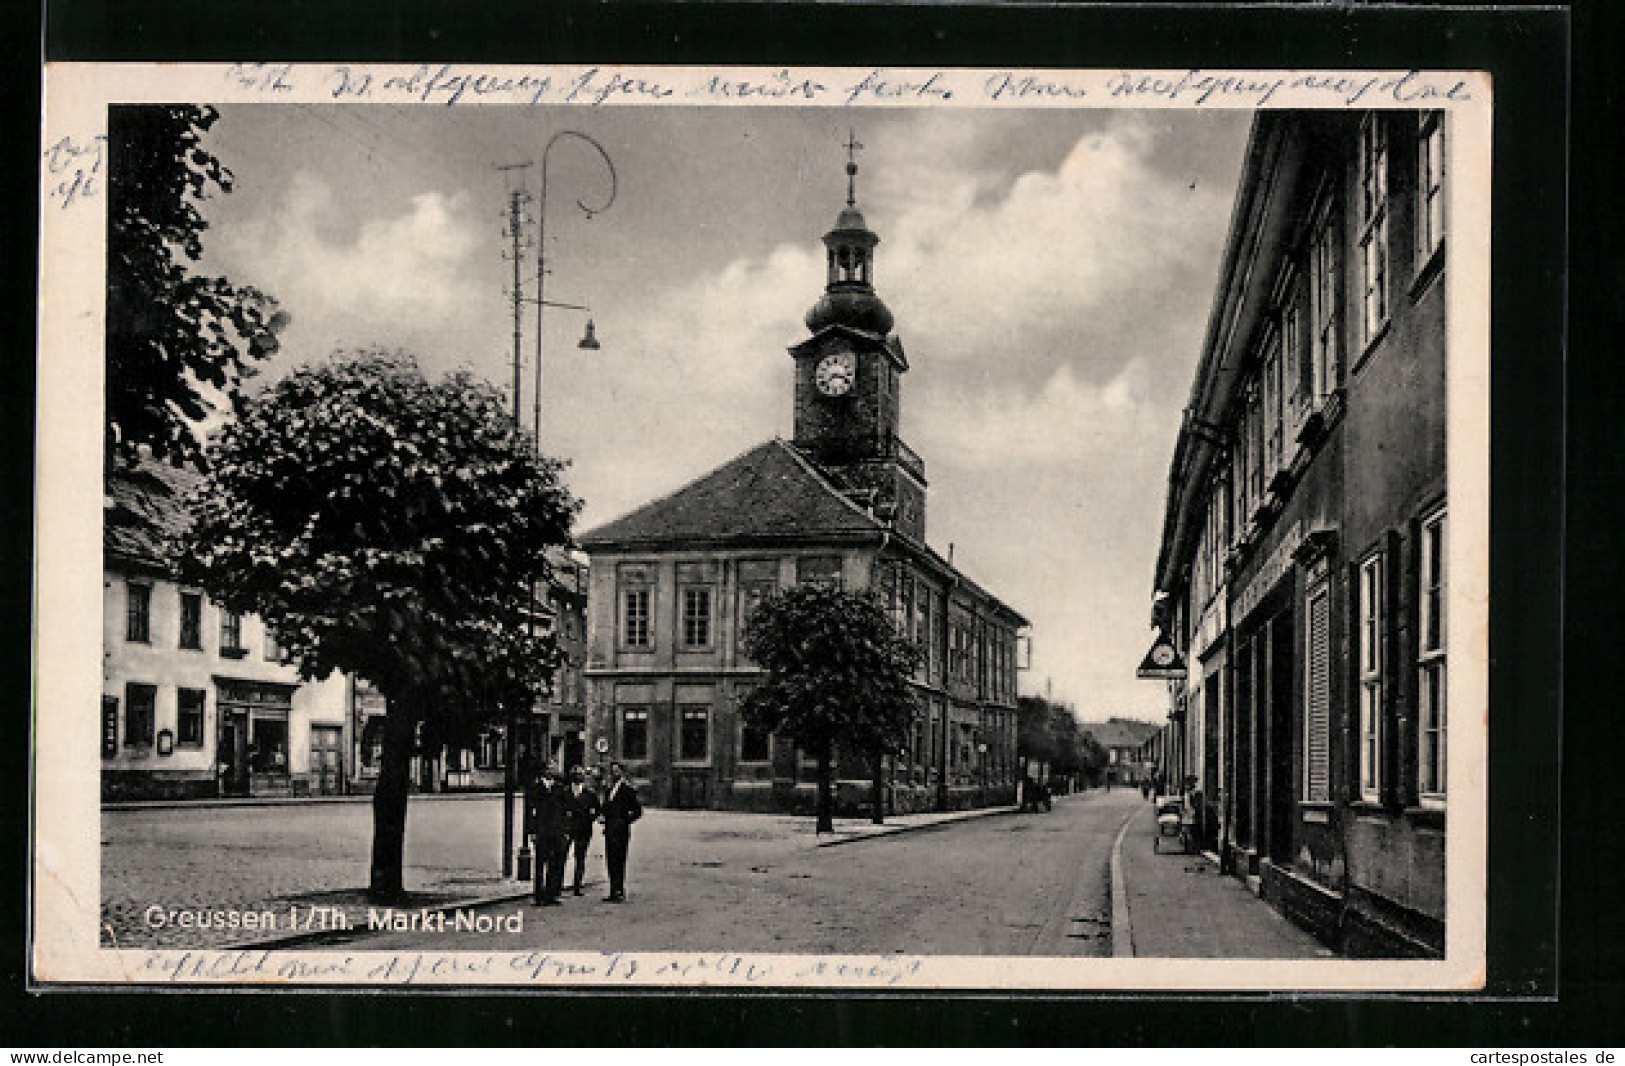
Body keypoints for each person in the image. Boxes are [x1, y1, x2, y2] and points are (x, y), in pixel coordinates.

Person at [598, 761, 642, 903]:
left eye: (617, 771)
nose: (614, 774)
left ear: (622, 772)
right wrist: (603, 817)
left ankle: (619, 890)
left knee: (619, 860)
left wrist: (624, 822)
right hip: (609, 831)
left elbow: (637, 811)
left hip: (621, 832)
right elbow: (606, 808)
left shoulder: (628, 790)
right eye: (612, 771)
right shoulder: (609, 790)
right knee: (610, 861)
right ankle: (613, 889)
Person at [528, 763, 569, 906]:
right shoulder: (536, 788)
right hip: (542, 831)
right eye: (550, 768)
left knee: (554, 863)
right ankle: (539, 895)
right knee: (540, 863)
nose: (553, 771)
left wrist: (565, 830)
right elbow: (532, 813)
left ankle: (551, 894)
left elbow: (564, 811)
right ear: (545, 771)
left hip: (556, 831)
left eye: (554, 768)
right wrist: (532, 831)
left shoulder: (559, 788)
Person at [563, 765, 601, 897]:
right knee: (562, 856)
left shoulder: (589, 794)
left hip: (584, 829)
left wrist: (589, 817)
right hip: (567, 829)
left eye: (581, 774)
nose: (579, 776)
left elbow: (597, 809)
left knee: (580, 857)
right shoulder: (565, 792)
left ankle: (577, 886)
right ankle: (557, 886)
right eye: (577, 774)